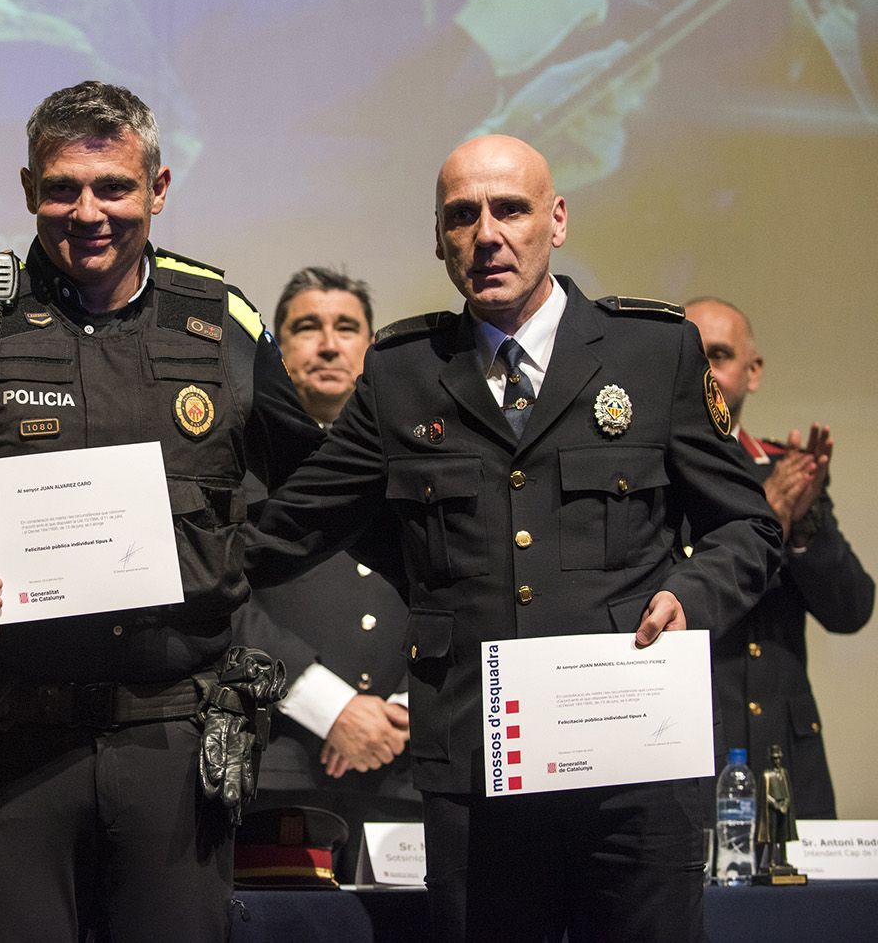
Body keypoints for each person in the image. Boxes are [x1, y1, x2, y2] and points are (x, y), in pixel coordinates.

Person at [246, 134, 781, 941]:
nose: (487, 234)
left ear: (557, 220)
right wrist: (130, 557)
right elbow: (283, 530)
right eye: (462, 216)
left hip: (632, 767)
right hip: (476, 772)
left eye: (511, 209)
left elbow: (749, 525)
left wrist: (689, 595)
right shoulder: (401, 374)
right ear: (438, 238)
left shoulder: (651, 351)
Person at [0, 80, 322, 942]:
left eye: (113, 186)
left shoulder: (221, 325)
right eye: (62, 187)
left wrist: (231, 560)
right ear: (28, 190)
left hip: (174, 741)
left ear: (158, 188)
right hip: (2, 746)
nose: (88, 212)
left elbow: (311, 484)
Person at [230, 267, 418, 873]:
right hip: (281, 768)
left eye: (347, 328)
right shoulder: (238, 468)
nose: (329, 345)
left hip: (409, 768)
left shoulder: (420, 457)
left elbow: (467, 581)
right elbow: (218, 599)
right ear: (277, 351)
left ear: (371, 348)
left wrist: (407, 707)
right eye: (307, 328)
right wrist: (330, 706)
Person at [686, 297, 873, 818]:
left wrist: (802, 528)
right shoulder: (644, 476)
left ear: (753, 372)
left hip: (785, 761)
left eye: (718, 355)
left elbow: (851, 610)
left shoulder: (788, 471)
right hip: (688, 755)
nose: (704, 371)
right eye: (690, 354)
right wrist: (766, 520)